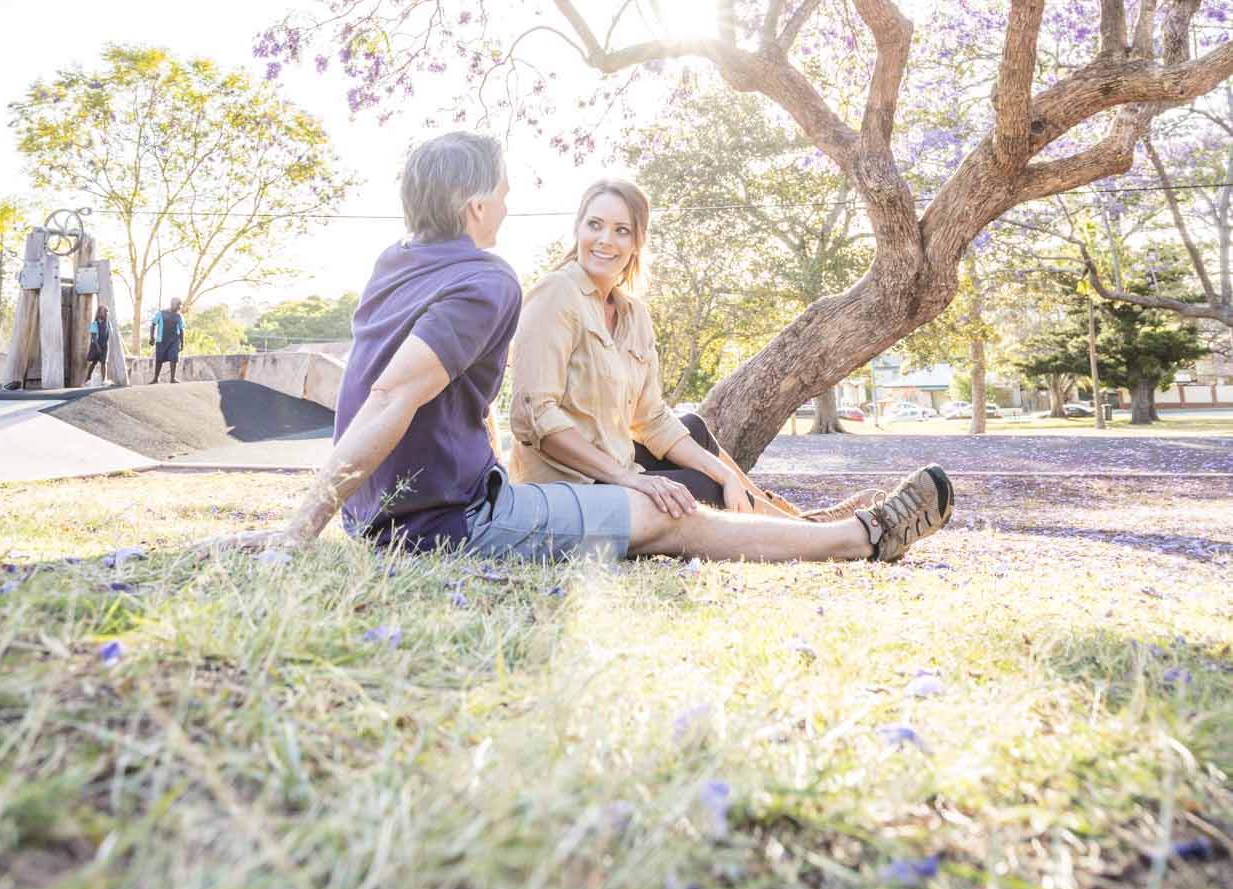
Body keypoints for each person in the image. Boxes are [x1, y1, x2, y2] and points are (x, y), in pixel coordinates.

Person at [238, 132, 954, 565]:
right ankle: (862, 537)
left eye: (622, 230)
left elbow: (652, 417)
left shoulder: (397, 261)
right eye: (505, 192)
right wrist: (299, 530)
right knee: (662, 518)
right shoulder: (492, 280)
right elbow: (395, 394)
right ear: (475, 209)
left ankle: (809, 525)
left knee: (695, 449)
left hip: (413, 512)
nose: (511, 204)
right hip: (446, 520)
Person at [509, 176, 860, 522]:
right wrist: (630, 478)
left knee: (693, 429)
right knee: (701, 488)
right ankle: (805, 530)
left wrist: (728, 476)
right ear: (578, 229)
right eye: (595, 225)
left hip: (614, 469)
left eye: (621, 230)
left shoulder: (634, 315)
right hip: (570, 486)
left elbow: (651, 419)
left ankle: (798, 525)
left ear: (638, 241)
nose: (605, 240)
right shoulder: (557, 294)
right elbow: (535, 416)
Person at [151, 298, 185, 383]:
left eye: (180, 305)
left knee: (174, 358)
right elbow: (153, 324)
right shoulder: (161, 313)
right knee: (159, 360)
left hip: (174, 340)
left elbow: (181, 330)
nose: (179, 307)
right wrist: (152, 337)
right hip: (161, 340)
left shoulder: (179, 316)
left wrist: (182, 343)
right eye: (178, 305)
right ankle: (155, 378)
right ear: (172, 304)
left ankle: (172, 378)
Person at [84, 302, 112, 385]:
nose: (107, 313)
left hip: (104, 346)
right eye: (105, 311)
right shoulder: (95, 324)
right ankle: (88, 379)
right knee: (94, 362)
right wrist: (98, 347)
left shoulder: (108, 323)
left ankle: (104, 380)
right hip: (96, 345)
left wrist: (105, 346)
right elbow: (93, 337)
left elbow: (110, 333)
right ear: (100, 313)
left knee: (104, 362)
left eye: (107, 312)